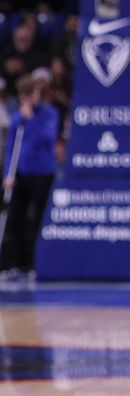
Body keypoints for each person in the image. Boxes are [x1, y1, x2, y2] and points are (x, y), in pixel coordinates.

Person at [0, 76, 58, 277]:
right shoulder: (17, 118)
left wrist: (31, 120)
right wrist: (8, 173)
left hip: (42, 173)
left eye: (31, 94)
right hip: (21, 173)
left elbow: (46, 140)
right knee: (15, 217)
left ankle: (34, 263)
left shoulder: (50, 114)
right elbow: (10, 149)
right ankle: (16, 263)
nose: (28, 99)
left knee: (36, 219)